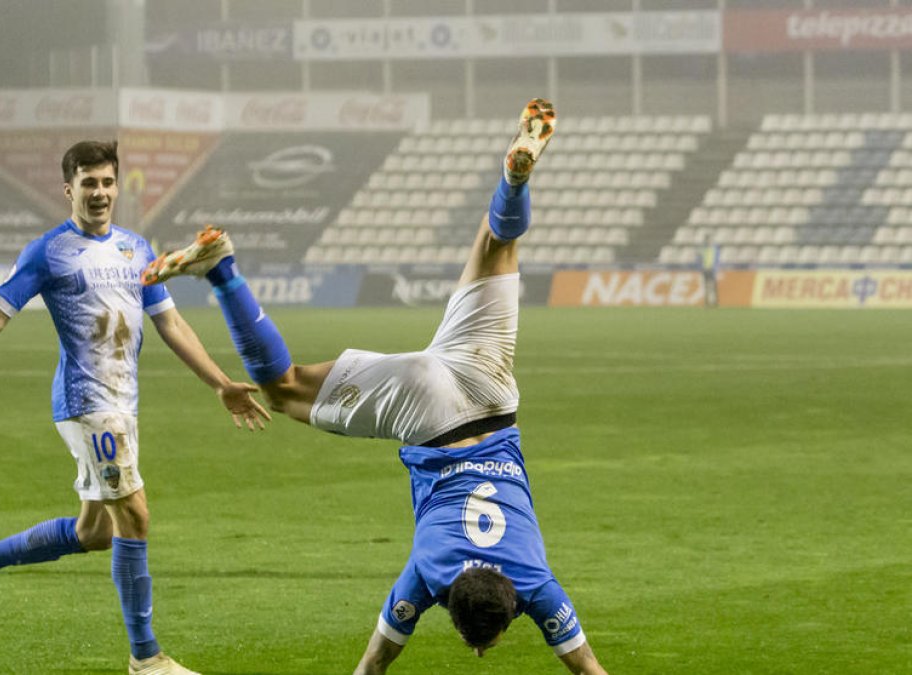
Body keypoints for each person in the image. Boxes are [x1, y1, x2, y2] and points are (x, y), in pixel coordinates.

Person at [143, 99, 607, 674]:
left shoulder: (535, 583)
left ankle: (513, 183)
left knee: (497, 245)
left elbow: (590, 669)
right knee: (284, 390)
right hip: (431, 412)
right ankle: (221, 270)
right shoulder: (429, 573)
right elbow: (371, 667)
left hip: (492, 389)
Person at [0, 140, 268, 675]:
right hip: (86, 402)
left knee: (95, 533)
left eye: (107, 183)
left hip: (123, 403)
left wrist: (219, 383)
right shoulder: (49, 251)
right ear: (68, 189)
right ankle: (146, 658)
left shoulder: (135, 249)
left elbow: (170, 322)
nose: (100, 193)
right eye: (88, 184)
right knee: (135, 516)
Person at [699, 233, 720, 308]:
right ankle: (707, 303)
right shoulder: (703, 249)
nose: (709, 241)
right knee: (706, 286)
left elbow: (717, 259)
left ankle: (715, 303)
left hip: (712, 270)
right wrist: (701, 267)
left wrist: (716, 268)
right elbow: (700, 259)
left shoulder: (715, 248)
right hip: (705, 270)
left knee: (713, 286)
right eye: (707, 239)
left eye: (709, 239)